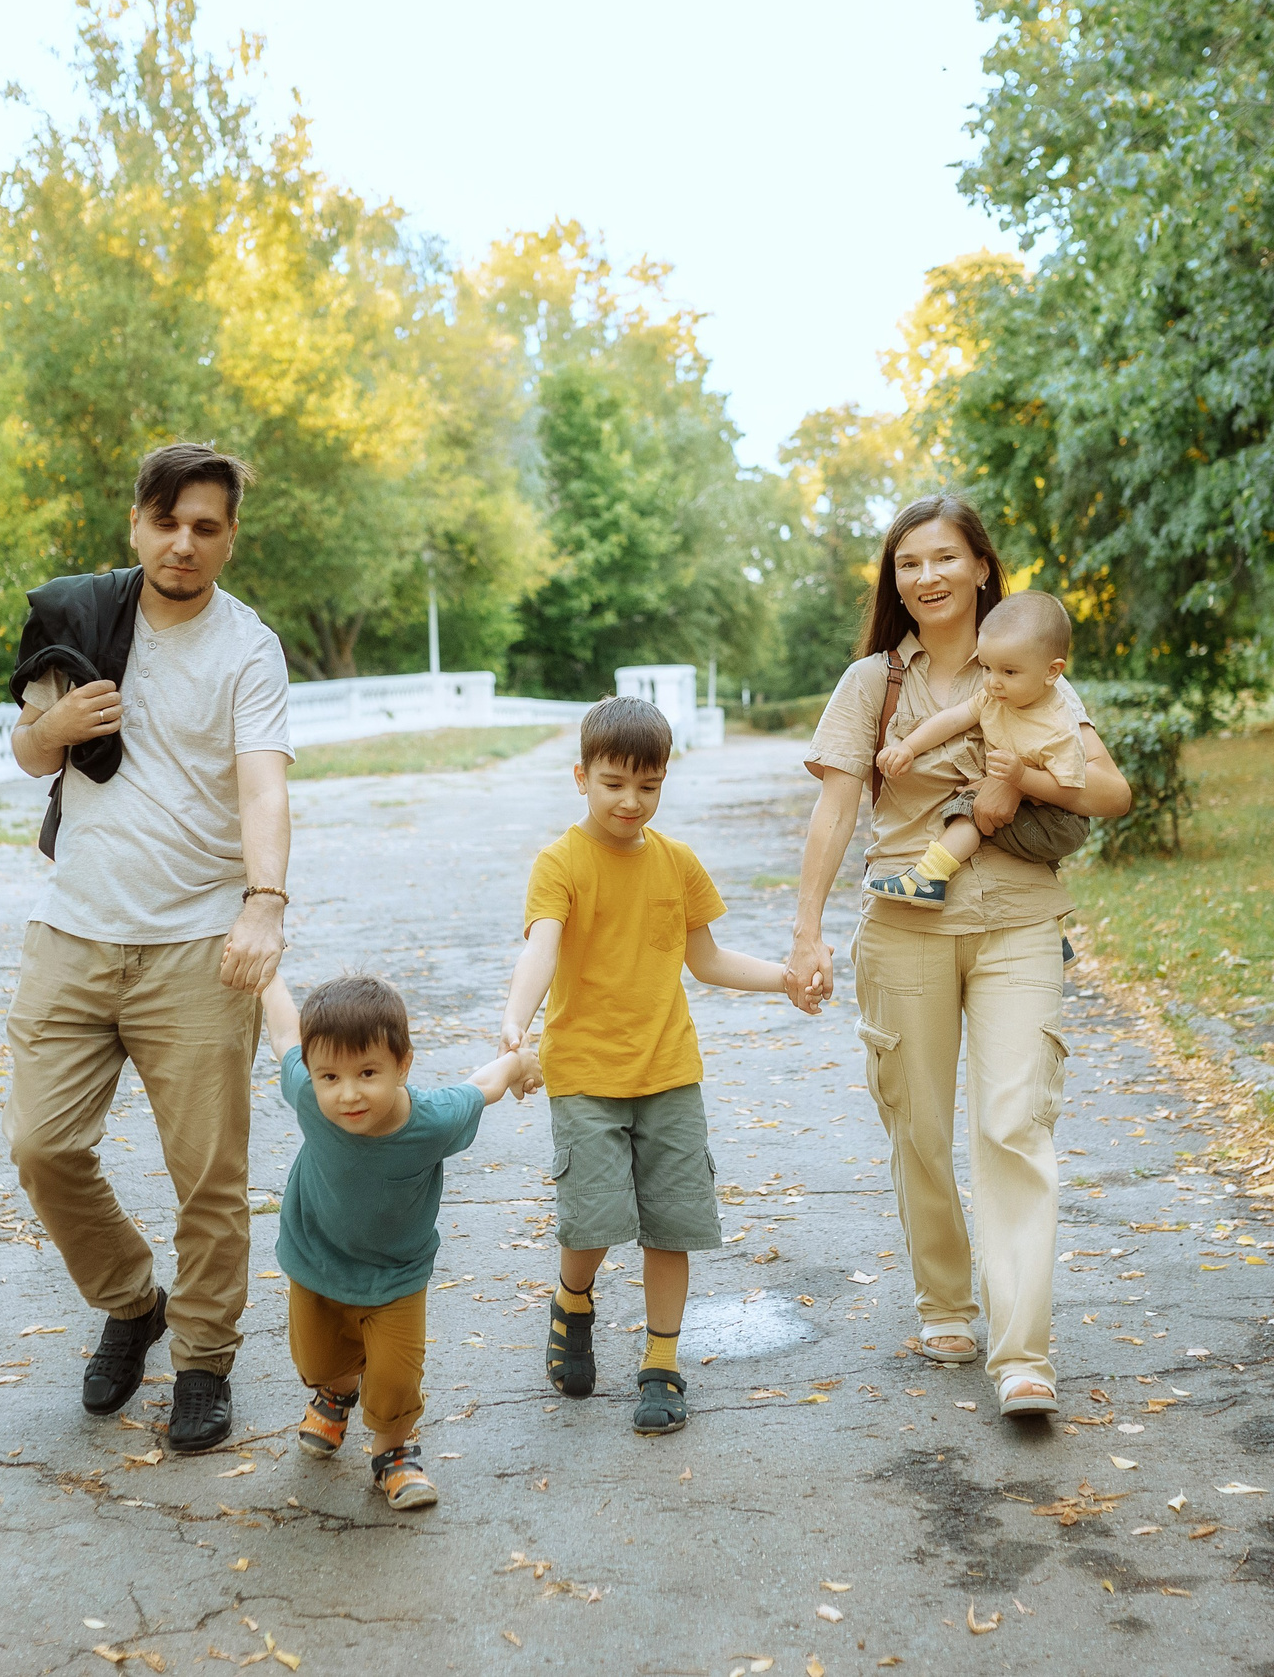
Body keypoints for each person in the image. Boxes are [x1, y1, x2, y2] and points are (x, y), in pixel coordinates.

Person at [782, 495, 1132, 1418]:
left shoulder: (1036, 673)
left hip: (1019, 918)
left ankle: (1024, 1353)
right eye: (908, 564)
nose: (927, 577)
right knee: (920, 1126)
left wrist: (1022, 778)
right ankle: (946, 1299)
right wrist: (807, 929)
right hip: (904, 923)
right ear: (895, 581)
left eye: (945, 558)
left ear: (983, 566)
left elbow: (1101, 785)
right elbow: (835, 810)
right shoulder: (873, 683)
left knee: (1016, 1123)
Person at [2, 441, 293, 1454]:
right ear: (136, 522)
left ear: (227, 537)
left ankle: (204, 1361)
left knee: (206, 1173)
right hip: (75, 931)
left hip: (194, 947)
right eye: (166, 522)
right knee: (42, 1146)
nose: (183, 542)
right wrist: (59, 726)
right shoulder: (81, 619)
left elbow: (263, 782)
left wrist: (263, 902)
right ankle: (131, 1302)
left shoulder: (248, 648)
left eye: (205, 526)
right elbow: (28, 745)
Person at [499, 696, 795, 1436]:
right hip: (586, 1075)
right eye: (613, 783)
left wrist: (784, 976)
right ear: (581, 777)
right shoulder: (561, 861)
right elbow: (542, 941)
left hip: (668, 1071)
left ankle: (662, 1363)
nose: (631, 801)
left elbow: (709, 958)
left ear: (663, 781)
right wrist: (517, 1015)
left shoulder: (676, 861)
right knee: (593, 1217)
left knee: (672, 1224)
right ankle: (573, 1299)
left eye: (648, 785)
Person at [260, 973, 541, 1509]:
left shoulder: (428, 1123)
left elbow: (481, 1088)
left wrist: (516, 1063)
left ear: (403, 1064)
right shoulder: (307, 1093)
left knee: (393, 1378)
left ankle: (392, 1451)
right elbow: (283, 1038)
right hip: (317, 1256)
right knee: (317, 1361)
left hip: (396, 1274)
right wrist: (268, 977)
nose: (348, 1094)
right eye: (330, 1076)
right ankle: (336, 1390)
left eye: (368, 1072)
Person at [864, 590, 1087, 910]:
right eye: (986, 667)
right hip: (1031, 809)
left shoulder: (1057, 727)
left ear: (1051, 672)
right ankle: (1058, 932)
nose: (993, 682)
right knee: (979, 801)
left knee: (968, 806)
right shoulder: (996, 698)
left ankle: (927, 878)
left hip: (1059, 821)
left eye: (1009, 672)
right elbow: (953, 719)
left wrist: (1019, 778)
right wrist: (908, 747)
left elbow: (1067, 790)